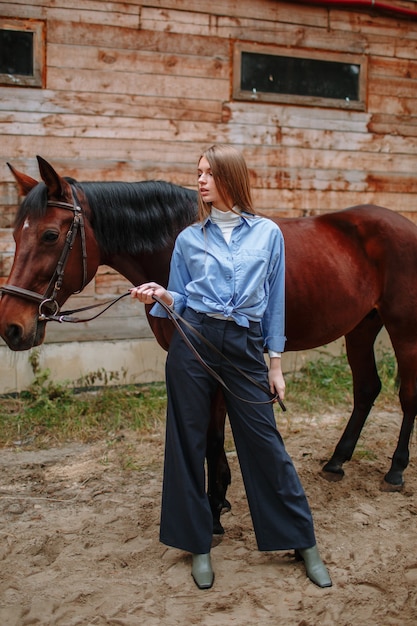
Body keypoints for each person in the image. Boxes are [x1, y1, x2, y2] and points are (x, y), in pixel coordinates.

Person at [130, 144, 332, 590]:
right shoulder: (188, 240)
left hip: (243, 345)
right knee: (187, 442)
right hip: (194, 342)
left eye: (209, 173)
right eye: (198, 172)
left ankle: (303, 541)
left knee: (265, 444)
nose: (200, 181)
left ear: (230, 178)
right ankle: (199, 545)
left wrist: (274, 366)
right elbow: (181, 300)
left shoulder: (268, 234)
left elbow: (274, 305)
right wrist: (161, 295)